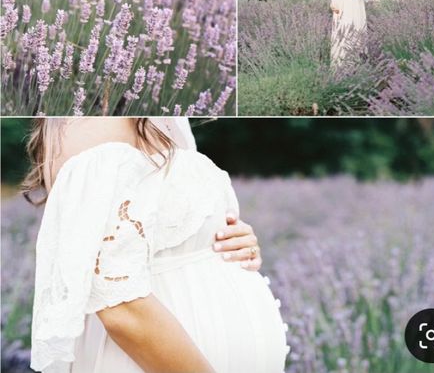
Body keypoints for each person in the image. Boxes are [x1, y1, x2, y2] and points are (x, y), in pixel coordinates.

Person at [28, 117, 288, 373]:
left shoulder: (163, 116)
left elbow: (174, 225)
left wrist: (231, 240)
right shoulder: (95, 122)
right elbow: (118, 306)